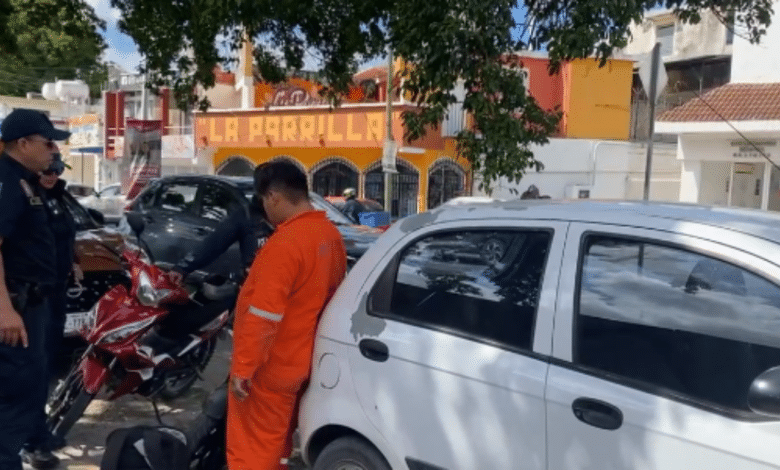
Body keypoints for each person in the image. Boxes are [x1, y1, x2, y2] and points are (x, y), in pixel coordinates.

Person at [227, 161, 347, 470]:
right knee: (278, 443)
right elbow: (334, 297)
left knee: (251, 452)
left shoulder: (285, 244)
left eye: (263, 200)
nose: (265, 209)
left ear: (274, 197)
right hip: (300, 363)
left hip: (268, 367)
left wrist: (243, 367)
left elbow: (264, 314)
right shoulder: (329, 235)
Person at [0, 109, 69, 470]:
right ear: (23, 143)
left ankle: (29, 445)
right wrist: (5, 310)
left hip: (33, 303)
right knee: (13, 399)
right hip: (17, 306)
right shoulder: (7, 183)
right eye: (47, 142)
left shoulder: (25, 181)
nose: (53, 149)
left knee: (28, 390)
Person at [22, 153, 83, 469]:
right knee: (32, 370)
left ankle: (38, 432)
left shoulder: (58, 198)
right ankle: (31, 441)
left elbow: (64, 235)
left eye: (57, 169)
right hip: (29, 296)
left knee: (45, 366)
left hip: (55, 293)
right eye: (47, 169)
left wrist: (73, 261)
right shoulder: (24, 198)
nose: (52, 174)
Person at [170, 195, 273, 283]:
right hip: (254, 290)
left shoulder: (287, 222)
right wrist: (182, 268)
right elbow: (213, 243)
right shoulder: (247, 216)